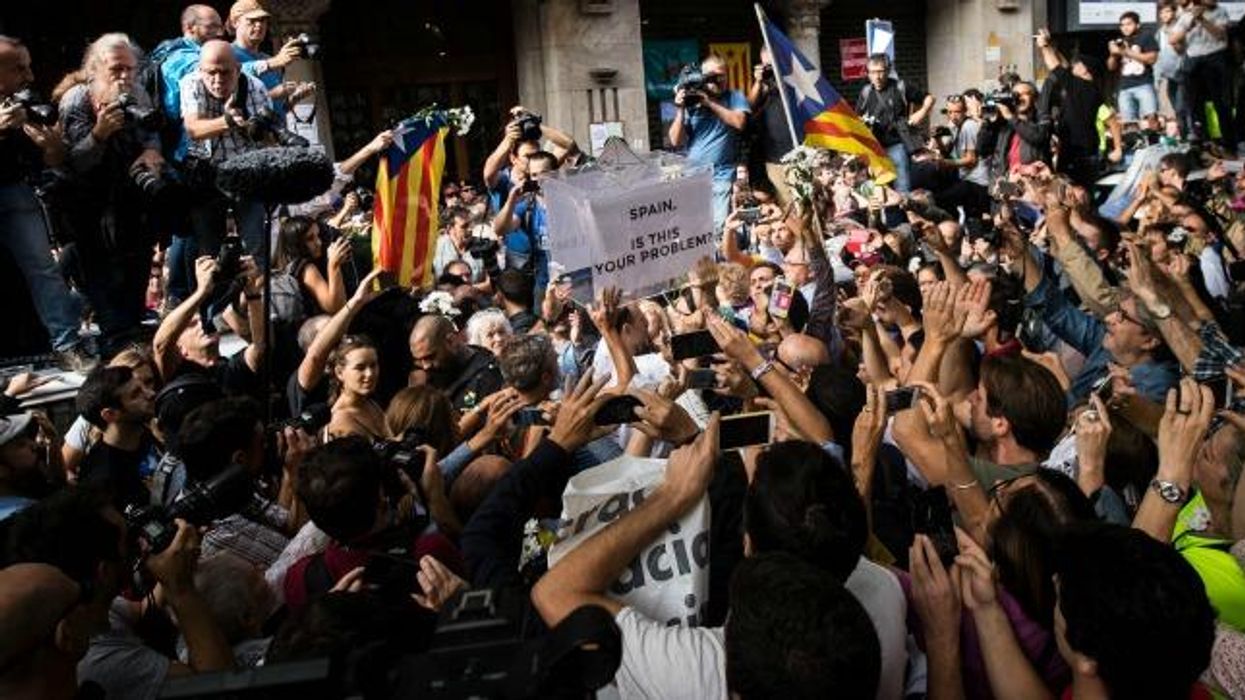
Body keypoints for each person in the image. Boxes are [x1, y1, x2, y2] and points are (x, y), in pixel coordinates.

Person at [58, 33, 166, 356]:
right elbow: (73, 162)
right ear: (95, 70)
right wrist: (99, 133)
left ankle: (133, 332)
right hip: (90, 203)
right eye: (116, 69)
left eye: (130, 69)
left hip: (132, 197)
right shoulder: (77, 99)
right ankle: (115, 341)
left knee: (137, 266)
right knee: (104, 278)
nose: (124, 76)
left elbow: (152, 133)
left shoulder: (139, 93)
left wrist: (151, 151)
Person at [0, 35, 94, 371]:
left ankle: (67, 344)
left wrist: (51, 145)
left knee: (43, 269)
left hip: (16, 192)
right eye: (19, 68)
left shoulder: (23, 104)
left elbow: (53, 160)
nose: (29, 76)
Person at [150, 5, 224, 304]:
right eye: (212, 26)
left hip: (194, 156)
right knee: (202, 231)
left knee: (189, 231)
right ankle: (193, 300)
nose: (220, 32)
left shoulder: (184, 54)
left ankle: (182, 298)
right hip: (189, 156)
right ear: (189, 28)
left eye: (220, 25)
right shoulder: (182, 59)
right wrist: (269, 63)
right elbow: (221, 72)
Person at [179, 39, 273, 260]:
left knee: (255, 244)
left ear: (238, 69)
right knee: (208, 250)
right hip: (207, 174)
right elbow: (194, 129)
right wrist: (228, 120)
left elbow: (270, 140)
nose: (217, 79)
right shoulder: (191, 83)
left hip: (247, 172)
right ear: (200, 69)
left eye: (225, 72)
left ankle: (257, 281)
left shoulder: (255, 87)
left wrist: (256, 129)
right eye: (211, 73)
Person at [669, 54, 749, 229]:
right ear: (702, 78)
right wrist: (680, 109)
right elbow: (675, 140)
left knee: (720, 226)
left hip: (722, 174)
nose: (718, 80)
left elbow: (739, 122)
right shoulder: (691, 101)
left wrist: (709, 103)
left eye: (722, 75)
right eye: (712, 76)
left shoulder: (734, 97)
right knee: (695, 227)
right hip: (694, 175)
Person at [75, 365, 160, 511]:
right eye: (136, 394)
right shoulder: (101, 477)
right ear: (110, 415)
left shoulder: (144, 434)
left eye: (144, 387)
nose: (151, 394)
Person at [855, 53, 936, 193]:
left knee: (902, 187)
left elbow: (930, 98)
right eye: (872, 72)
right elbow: (857, 117)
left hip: (897, 145)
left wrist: (921, 113)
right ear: (868, 73)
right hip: (875, 148)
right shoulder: (866, 92)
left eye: (880, 71)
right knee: (880, 189)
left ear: (888, 70)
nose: (877, 77)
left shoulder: (900, 87)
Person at [226, 0, 314, 113]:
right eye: (252, 20)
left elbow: (277, 110)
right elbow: (233, 76)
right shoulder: (226, 52)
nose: (259, 25)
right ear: (235, 22)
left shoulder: (267, 58)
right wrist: (274, 63)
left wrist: (295, 98)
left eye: (262, 20)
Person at [1171, 0, 1234, 152]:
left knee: (1222, 104)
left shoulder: (1220, 11)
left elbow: (1220, 35)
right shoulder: (1186, 15)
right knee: (1195, 106)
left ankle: (1228, 144)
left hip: (1216, 58)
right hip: (1193, 61)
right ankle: (1204, 144)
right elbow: (1172, 39)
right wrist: (1190, 23)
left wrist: (1202, 19)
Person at [408, 314, 505, 411]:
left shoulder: (488, 374)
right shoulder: (428, 378)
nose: (425, 366)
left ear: (451, 341)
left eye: (430, 357)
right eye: (419, 360)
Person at [493, 150, 557, 293]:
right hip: (544, 283)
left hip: (577, 280)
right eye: (534, 175)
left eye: (544, 173)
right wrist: (511, 200)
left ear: (556, 173)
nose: (539, 179)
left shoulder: (573, 202)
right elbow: (499, 229)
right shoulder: (527, 207)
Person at [272, 215, 351, 319]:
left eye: (318, 235)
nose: (319, 242)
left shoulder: (282, 265)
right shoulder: (306, 268)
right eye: (310, 239)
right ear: (296, 243)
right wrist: (334, 265)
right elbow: (335, 307)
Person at [747, 47, 794, 205]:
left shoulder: (794, 78)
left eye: (772, 65)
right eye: (766, 66)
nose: (770, 70)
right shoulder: (764, 85)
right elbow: (748, 108)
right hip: (773, 156)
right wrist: (758, 82)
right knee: (785, 205)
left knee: (806, 207)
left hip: (798, 153)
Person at [326, 334, 389, 440]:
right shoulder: (340, 419)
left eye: (373, 365)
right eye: (360, 368)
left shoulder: (371, 404)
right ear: (340, 373)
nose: (369, 374)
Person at [1108, 11, 1160, 123]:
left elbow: (1152, 59)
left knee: (1152, 120)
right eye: (1122, 25)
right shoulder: (1120, 42)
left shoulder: (1146, 37)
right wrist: (1113, 55)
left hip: (1144, 84)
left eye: (1129, 24)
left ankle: (1153, 135)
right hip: (1124, 87)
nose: (1125, 28)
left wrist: (1126, 52)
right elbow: (1111, 67)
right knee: (1129, 123)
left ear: (1138, 25)